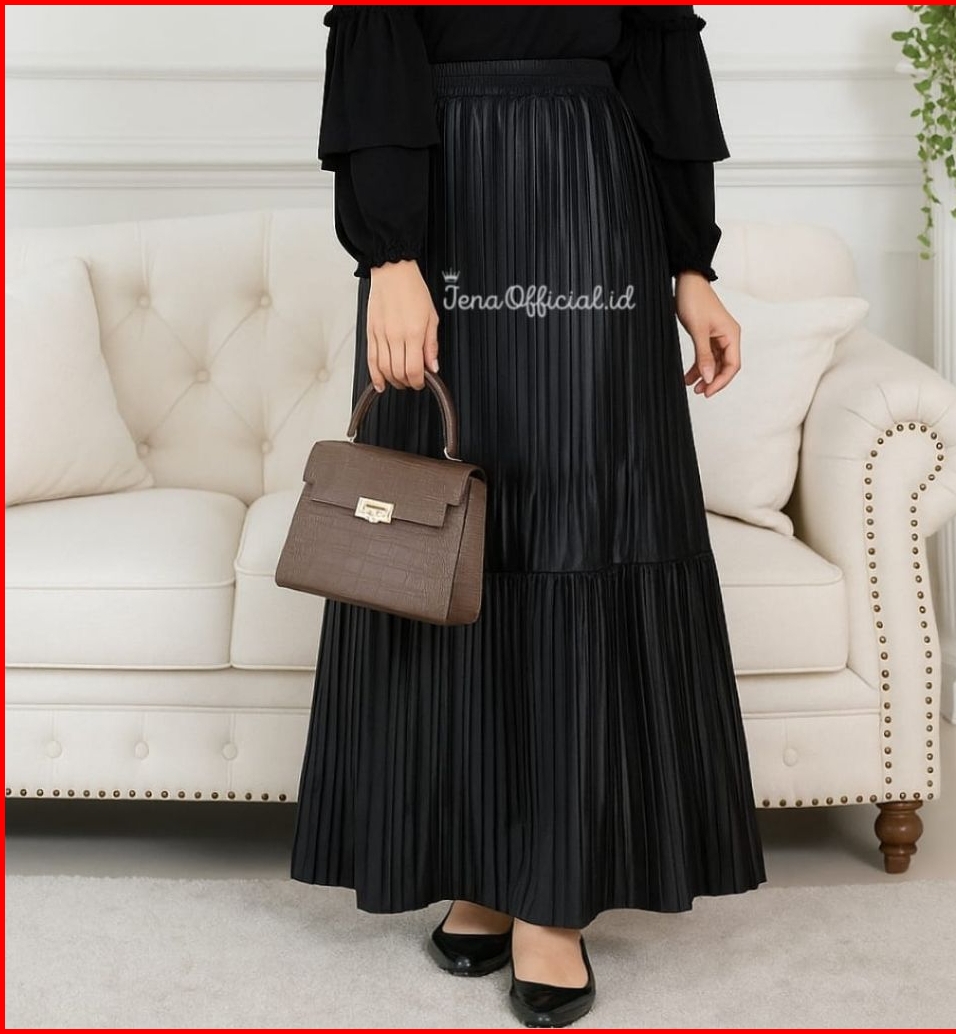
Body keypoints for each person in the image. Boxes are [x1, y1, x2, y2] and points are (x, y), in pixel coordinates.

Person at [291, 5, 767, 1028]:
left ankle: (553, 895)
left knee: (575, 528)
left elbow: (660, 60)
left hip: (594, 204)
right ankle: (483, 869)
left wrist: (690, 266)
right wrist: (391, 256)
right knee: (450, 540)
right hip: (443, 209)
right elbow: (375, 41)